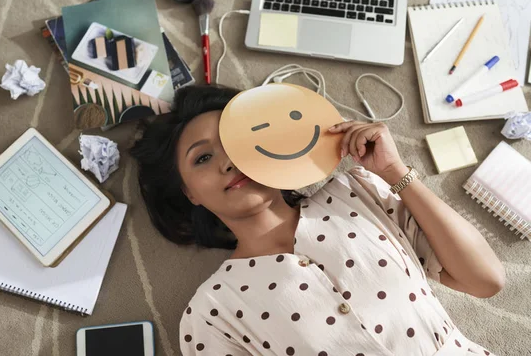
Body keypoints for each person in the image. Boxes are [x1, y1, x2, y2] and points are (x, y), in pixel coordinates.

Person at [130, 85, 504, 356]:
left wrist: (394, 171)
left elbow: (486, 280)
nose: (228, 162)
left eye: (234, 142)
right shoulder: (212, 313)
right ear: (188, 193)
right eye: (202, 159)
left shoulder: (360, 191)